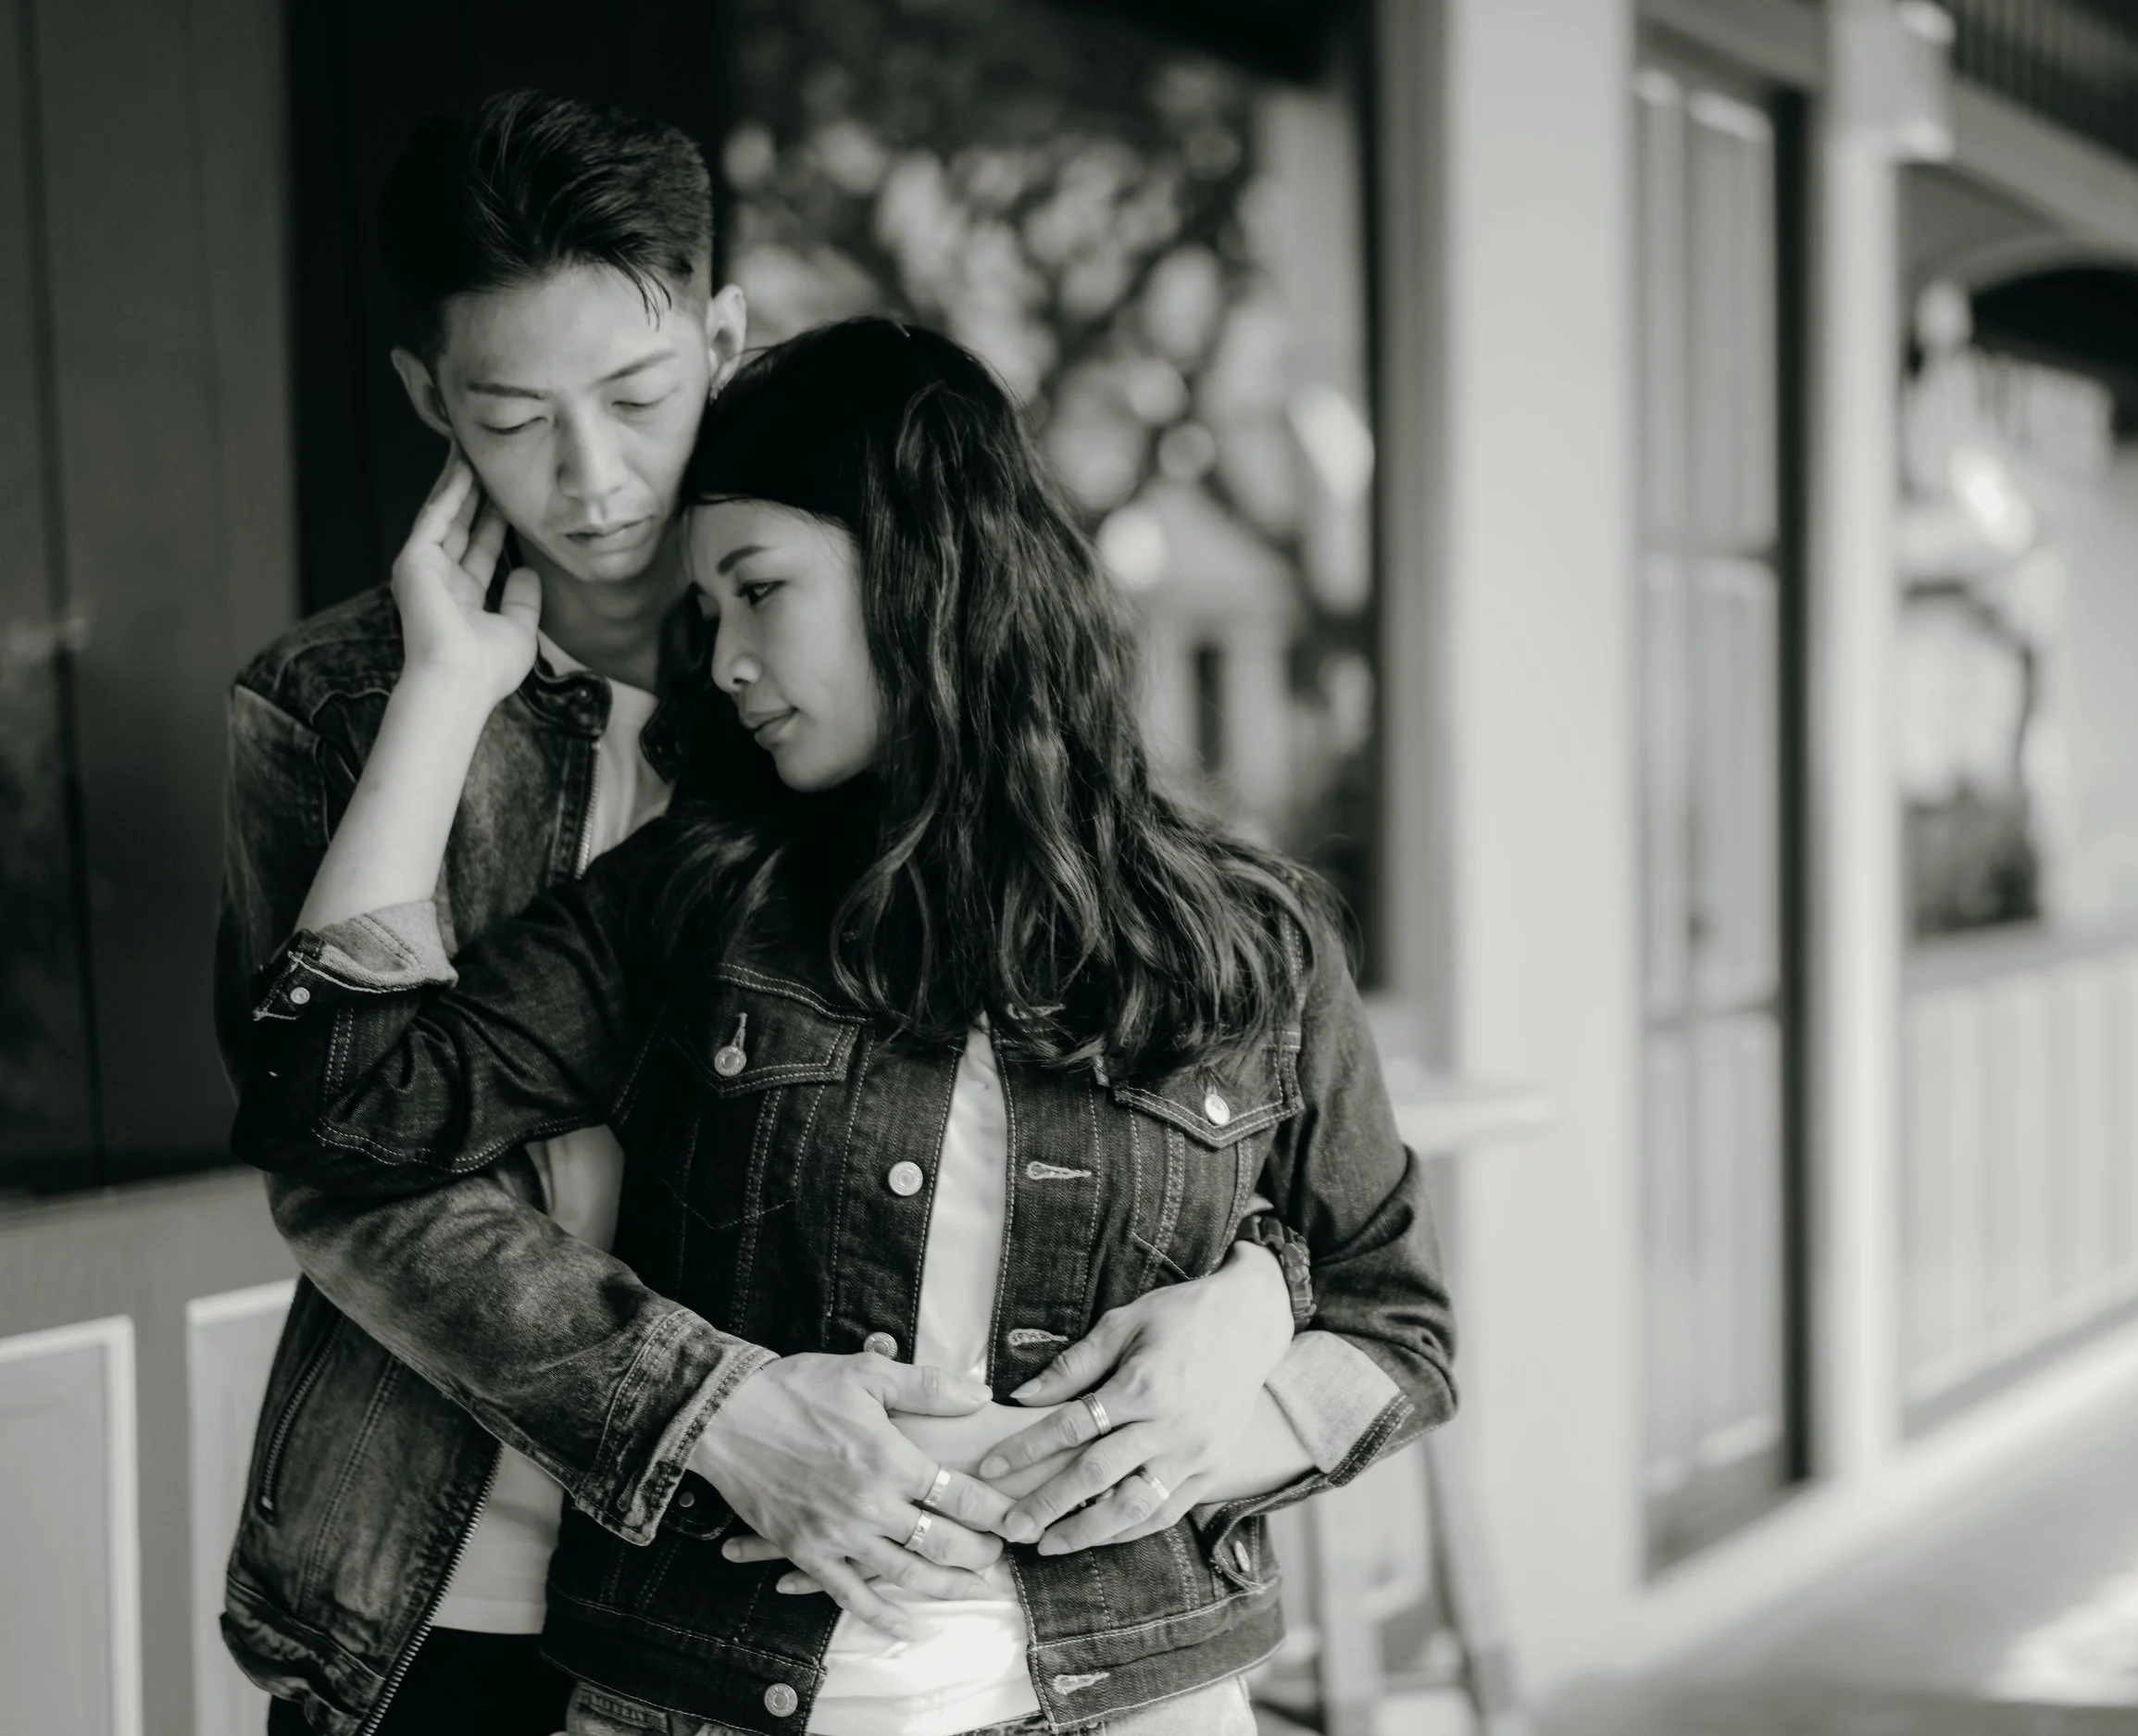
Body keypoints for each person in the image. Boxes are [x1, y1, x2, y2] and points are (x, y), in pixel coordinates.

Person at [218, 94, 1319, 1736]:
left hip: (823, 1604)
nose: (592, 479)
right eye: (513, 417)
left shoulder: (860, 696)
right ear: (428, 399)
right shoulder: (333, 707)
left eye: (643, 397)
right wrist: (710, 1409)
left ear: (723, 341)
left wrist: (1266, 1294)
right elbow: (343, 1150)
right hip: (447, 1551)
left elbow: (1130, 1113)